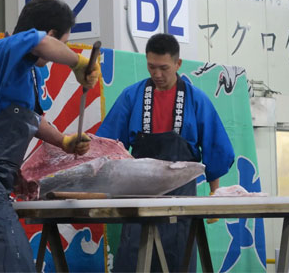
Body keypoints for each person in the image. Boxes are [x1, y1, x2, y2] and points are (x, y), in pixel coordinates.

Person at [0, 0, 100, 272]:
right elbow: (39, 43)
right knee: (13, 266)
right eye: (62, 44)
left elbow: (29, 118)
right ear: (50, 36)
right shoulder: (3, 50)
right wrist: (78, 63)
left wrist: (63, 141)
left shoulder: (28, 73)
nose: (59, 52)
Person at [96, 33, 234, 272]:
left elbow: (215, 146)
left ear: (178, 64)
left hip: (180, 202)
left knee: (178, 260)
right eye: (151, 67)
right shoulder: (132, 96)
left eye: (164, 68)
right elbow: (108, 144)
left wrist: (215, 193)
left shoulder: (196, 100)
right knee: (134, 261)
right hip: (137, 200)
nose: (157, 74)